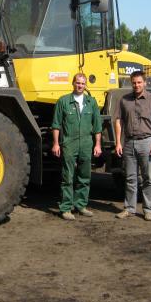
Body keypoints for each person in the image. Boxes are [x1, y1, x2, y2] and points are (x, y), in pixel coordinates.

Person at [114, 70, 151, 221]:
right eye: (134, 83)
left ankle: (148, 210)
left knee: (148, 178)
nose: (136, 85)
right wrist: (118, 142)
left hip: (147, 142)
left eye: (139, 82)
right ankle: (129, 209)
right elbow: (118, 121)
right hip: (129, 142)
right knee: (130, 178)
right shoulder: (124, 100)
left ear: (145, 83)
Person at [51, 73, 102, 220]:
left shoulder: (91, 102)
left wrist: (98, 144)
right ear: (73, 83)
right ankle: (66, 208)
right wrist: (56, 143)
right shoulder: (64, 101)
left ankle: (81, 205)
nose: (80, 86)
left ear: (86, 85)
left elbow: (97, 126)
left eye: (83, 83)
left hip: (86, 143)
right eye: (78, 83)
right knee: (67, 177)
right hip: (69, 143)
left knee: (85, 176)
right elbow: (56, 125)